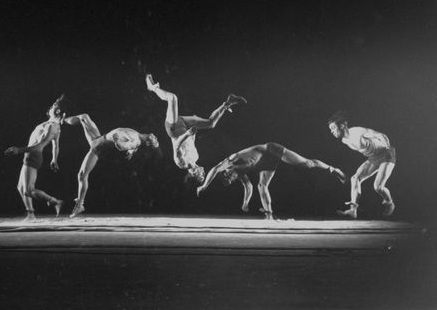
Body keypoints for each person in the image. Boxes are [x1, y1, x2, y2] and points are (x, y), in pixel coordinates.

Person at [196, 143, 346, 219]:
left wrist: (204, 186)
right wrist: (245, 203)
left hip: (271, 149)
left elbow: (215, 169)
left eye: (228, 177)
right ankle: (269, 215)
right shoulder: (241, 174)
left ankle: (333, 169)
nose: (232, 178)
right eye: (231, 181)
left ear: (227, 172)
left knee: (307, 163)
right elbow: (248, 187)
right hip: (266, 163)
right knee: (261, 185)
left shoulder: (232, 160)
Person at [145, 73, 246, 182]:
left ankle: (153, 88)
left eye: (201, 176)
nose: (203, 173)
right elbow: (190, 143)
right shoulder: (196, 157)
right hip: (184, 126)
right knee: (210, 123)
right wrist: (193, 134)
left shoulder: (182, 164)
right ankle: (228, 103)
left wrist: (187, 134)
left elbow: (177, 146)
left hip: (173, 129)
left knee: (173, 98)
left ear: (194, 174)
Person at [64, 113, 159, 217]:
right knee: (84, 117)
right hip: (99, 138)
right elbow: (131, 146)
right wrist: (132, 151)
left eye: (155, 141)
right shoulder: (138, 136)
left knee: (82, 175)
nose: (155, 137)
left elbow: (122, 147)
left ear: (149, 143)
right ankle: (61, 120)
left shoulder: (137, 141)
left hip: (98, 148)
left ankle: (80, 204)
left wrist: (116, 140)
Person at [4, 95, 66, 221]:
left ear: (57, 111)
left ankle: (55, 201)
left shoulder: (52, 126)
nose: (50, 107)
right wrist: (54, 159)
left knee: (28, 190)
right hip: (30, 155)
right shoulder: (52, 125)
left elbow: (38, 147)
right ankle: (31, 214)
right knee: (20, 187)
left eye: (53, 105)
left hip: (34, 156)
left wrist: (18, 150)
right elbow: (56, 145)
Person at [328, 110, 396, 219]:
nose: (332, 132)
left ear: (342, 125)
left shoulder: (358, 132)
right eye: (330, 130)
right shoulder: (344, 140)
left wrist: (387, 146)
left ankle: (389, 202)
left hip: (386, 154)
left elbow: (380, 135)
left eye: (333, 128)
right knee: (355, 178)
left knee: (378, 187)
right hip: (374, 157)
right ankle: (352, 210)